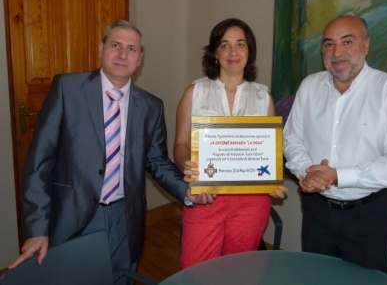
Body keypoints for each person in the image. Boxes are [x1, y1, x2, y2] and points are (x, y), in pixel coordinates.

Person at [8, 20, 196, 284]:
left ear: (140, 58)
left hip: (124, 216)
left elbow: (156, 161)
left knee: (121, 276)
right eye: (116, 45)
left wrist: (188, 190)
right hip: (73, 216)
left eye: (132, 49)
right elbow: (39, 163)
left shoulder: (151, 106)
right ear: (101, 48)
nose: (123, 55)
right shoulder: (67, 89)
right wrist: (37, 228)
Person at [283, 15, 387, 272]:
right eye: (328, 44)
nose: (337, 52)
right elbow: (292, 138)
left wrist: (338, 176)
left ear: (366, 45)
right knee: (315, 278)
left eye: (347, 42)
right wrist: (307, 172)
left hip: (367, 216)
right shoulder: (309, 86)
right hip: (317, 211)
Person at [174, 18, 287, 268]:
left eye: (240, 44)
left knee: (239, 271)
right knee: (197, 270)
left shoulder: (263, 96)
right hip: (205, 195)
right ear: (215, 53)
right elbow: (180, 145)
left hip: (251, 202)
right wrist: (189, 166)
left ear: (250, 51)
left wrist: (273, 179)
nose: (233, 52)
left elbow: (267, 152)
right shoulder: (195, 91)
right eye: (225, 45)